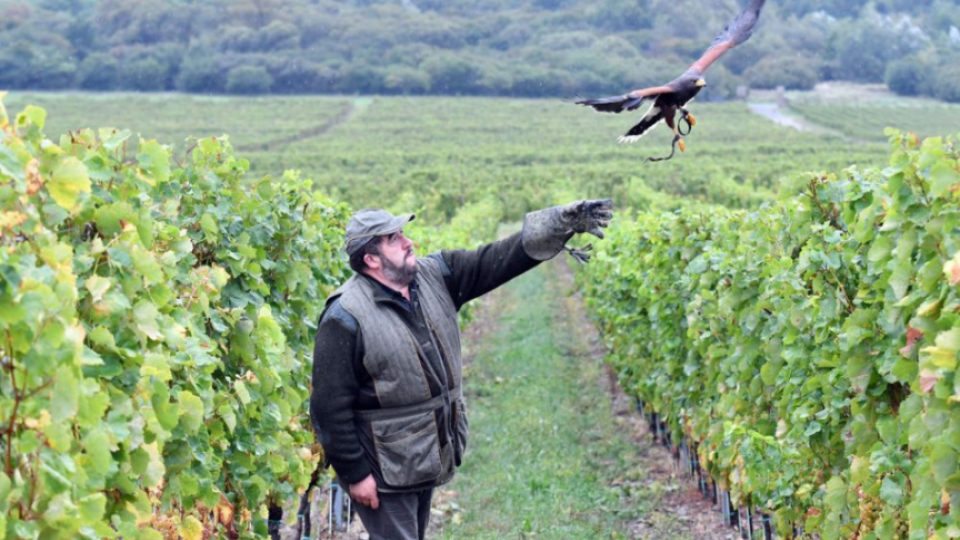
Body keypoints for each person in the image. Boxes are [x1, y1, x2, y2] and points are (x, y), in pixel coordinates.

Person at [310, 199, 613, 540]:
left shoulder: (435, 275)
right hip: (383, 467)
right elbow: (328, 406)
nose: (409, 242)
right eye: (394, 238)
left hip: (423, 455)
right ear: (371, 259)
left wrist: (556, 225)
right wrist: (355, 474)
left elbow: (494, 261)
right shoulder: (344, 316)